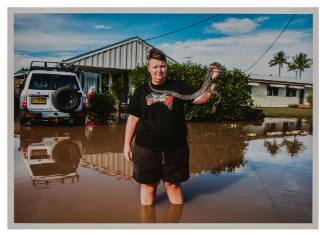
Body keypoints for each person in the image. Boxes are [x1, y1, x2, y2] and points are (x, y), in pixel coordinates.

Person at [124, 48, 220, 205]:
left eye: (162, 66)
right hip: (146, 148)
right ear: (148, 68)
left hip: (175, 147)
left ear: (167, 67)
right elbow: (133, 118)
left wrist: (213, 79)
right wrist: (126, 144)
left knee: (173, 185)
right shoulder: (141, 91)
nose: (159, 70)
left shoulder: (178, 87)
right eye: (155, 66)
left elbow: (201, 98)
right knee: (148, 186)